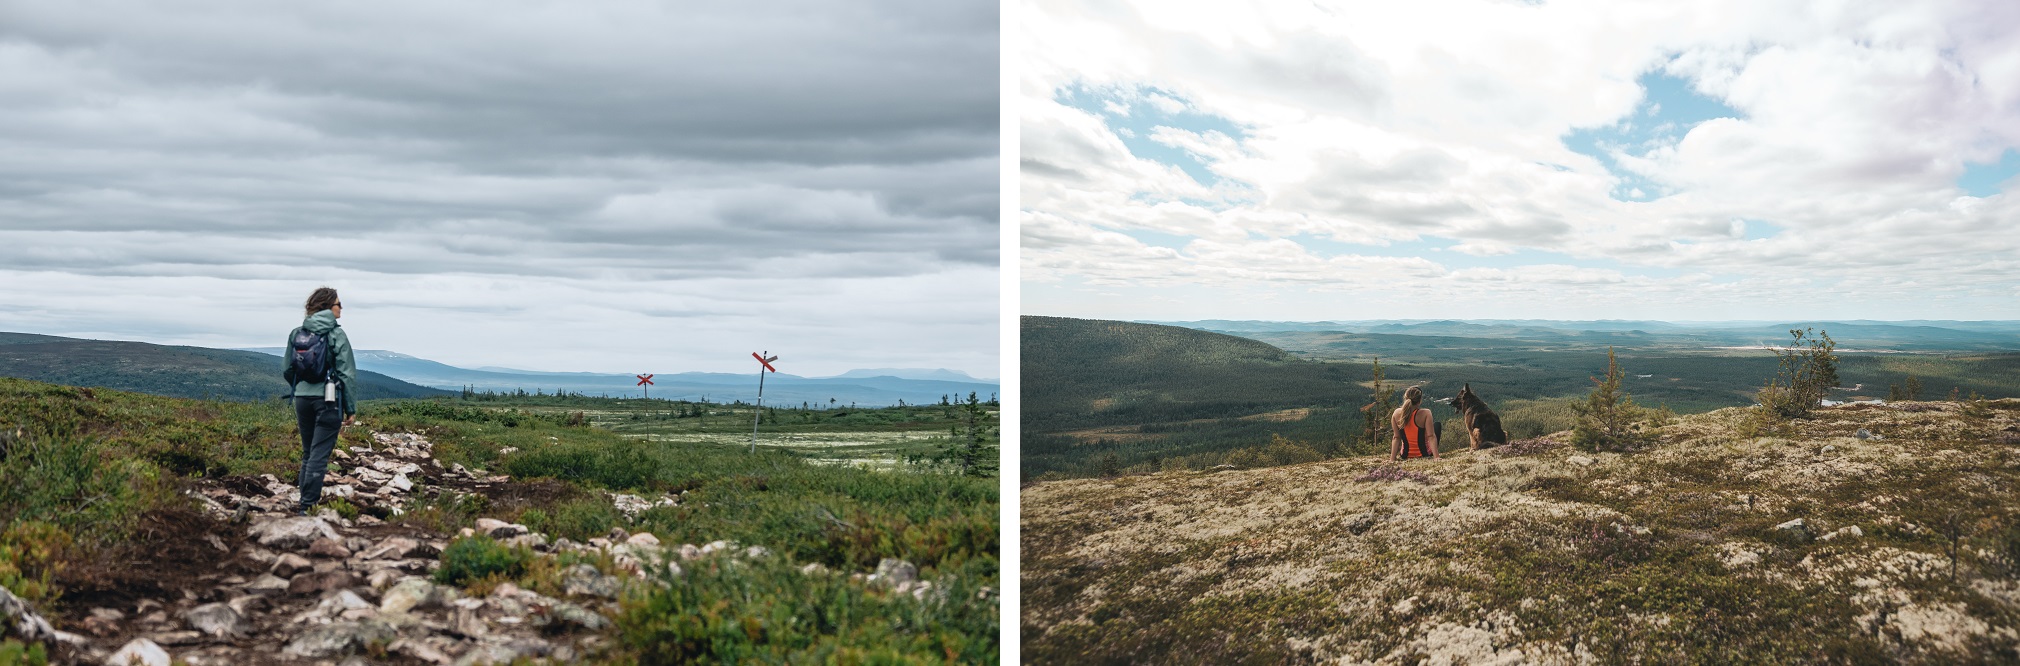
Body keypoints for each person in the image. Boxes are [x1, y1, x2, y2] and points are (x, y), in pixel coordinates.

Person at [286, 287, 356, 516]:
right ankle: (307, 507)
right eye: (338, 304)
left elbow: (287, 369)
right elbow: (346, 374)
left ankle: (304, 502)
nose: (341, 308)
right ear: (327, 306)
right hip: (328, 400)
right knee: (318, 455)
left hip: (302, 398)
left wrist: (302, 388)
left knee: (308, 453)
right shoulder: (336, 334)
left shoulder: (298, 332)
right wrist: (350, 408)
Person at [1391, 386, 1440, 461]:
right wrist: (1436, 457)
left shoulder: (1396, 413)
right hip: (1424, 454)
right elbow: (1431, 436)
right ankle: (1435, 453)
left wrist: (1392, 459)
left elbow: (1396, 437)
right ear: (1419, 401)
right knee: (1437, 426)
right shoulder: (1426, 413)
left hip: (1405, 455)